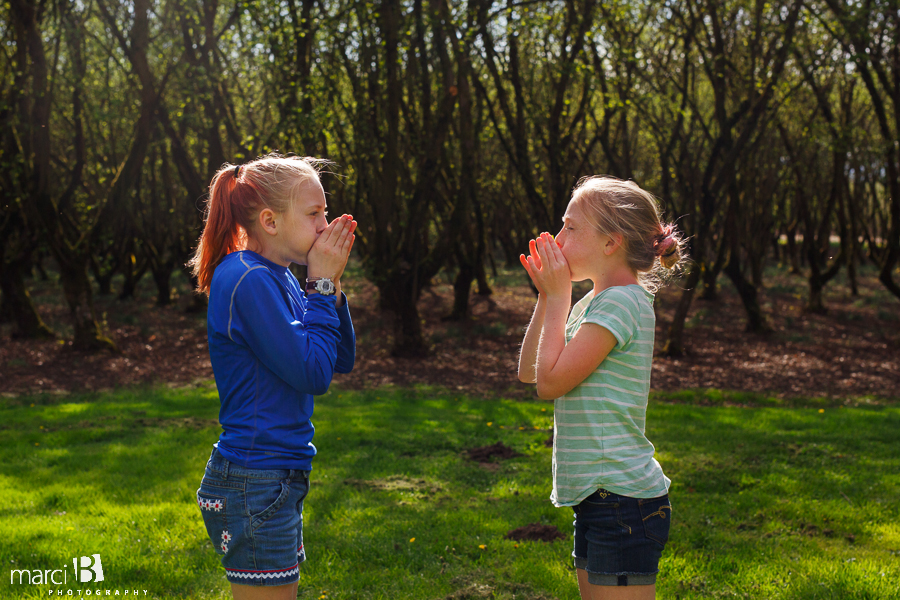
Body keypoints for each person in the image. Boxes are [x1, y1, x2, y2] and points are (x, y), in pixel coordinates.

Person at [190, 154, 356, 600]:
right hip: (255, 479)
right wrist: (319, 285)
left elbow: (339, 358)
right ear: (270, 220)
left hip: (275, 476)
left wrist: (331, 291)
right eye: (314, 214)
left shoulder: (277, 277)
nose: (325, 225)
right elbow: (313, 373)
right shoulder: (245, 279)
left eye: (325, 212)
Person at [518, 176, 684, 600]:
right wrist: (547, 297)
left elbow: (550, 384)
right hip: (600, 498)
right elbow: (530, 372)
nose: (557, 238)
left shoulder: (623, 303)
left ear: (611, 243)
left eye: (570, 228)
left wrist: (558, 299)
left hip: (623, 500)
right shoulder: (593, 301)